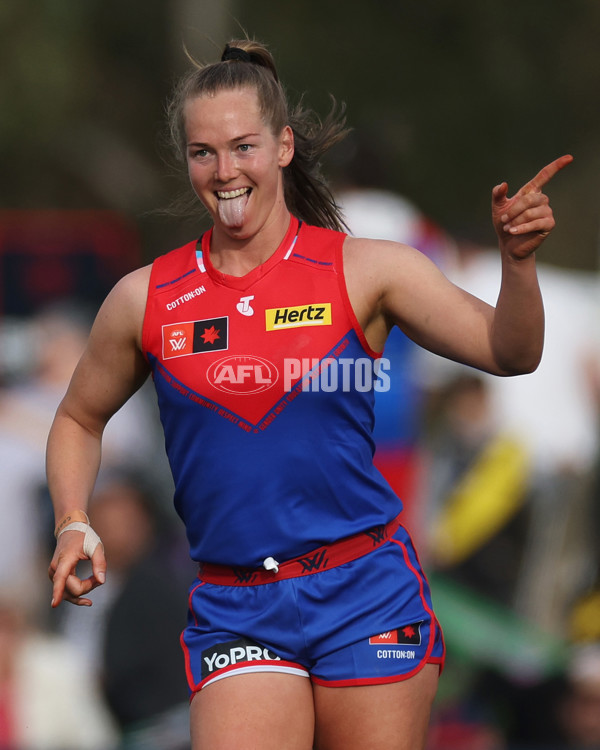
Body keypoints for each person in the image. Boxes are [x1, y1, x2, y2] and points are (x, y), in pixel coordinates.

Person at [46, 37, 572, 750]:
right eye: (204, 153)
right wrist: (73, 518)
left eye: (244, 147)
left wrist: (518, 265)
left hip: (366, 592)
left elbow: (512, 353)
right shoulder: (147, 298)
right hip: (237, 608)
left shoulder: (368, 270)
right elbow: (79, 416)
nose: (225, 172)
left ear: (285, 146)